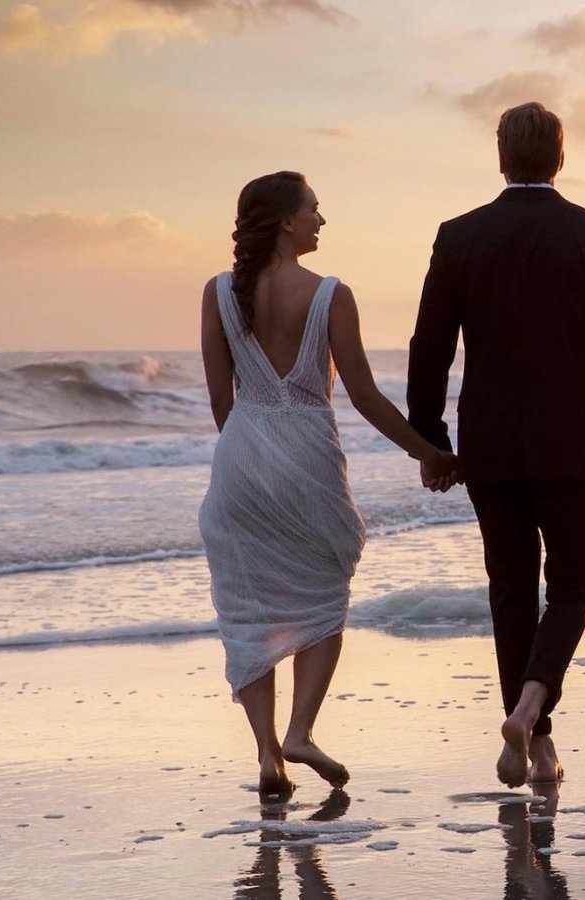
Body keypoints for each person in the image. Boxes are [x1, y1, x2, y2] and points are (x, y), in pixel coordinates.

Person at [407, 101, 585, 788]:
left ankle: (534, 743)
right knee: (572, 587)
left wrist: (430, 438)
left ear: (500, 155)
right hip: (569, 440)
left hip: (488, 444)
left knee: (511, 591)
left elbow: (430, 346)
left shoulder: (459, 236)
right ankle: (535, 705)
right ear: (561, 156)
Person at [199, 171, 458, 799]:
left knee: (247, 609)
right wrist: (433, 453)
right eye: (314, 210)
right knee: (324, 592)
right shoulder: (330, 294)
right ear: (288, 221)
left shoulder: (216, 293)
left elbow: (219, 400)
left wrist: (251, 454)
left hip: (240, 460)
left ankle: (267, 756)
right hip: (309, 456)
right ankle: (301, 731)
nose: (321, 220)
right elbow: (365, 396)